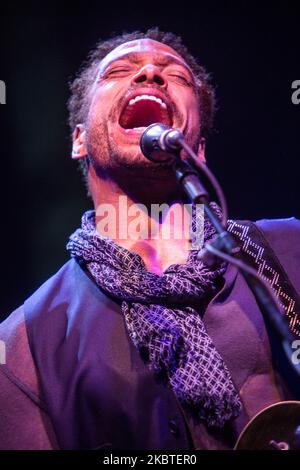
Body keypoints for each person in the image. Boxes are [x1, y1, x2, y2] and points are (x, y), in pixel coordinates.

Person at [0, 28, 299, 451]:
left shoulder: (291, 248)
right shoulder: (23, 343)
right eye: (119, 71)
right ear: (79, 139)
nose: (149, 74)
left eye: (175, 75)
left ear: (199, 147)